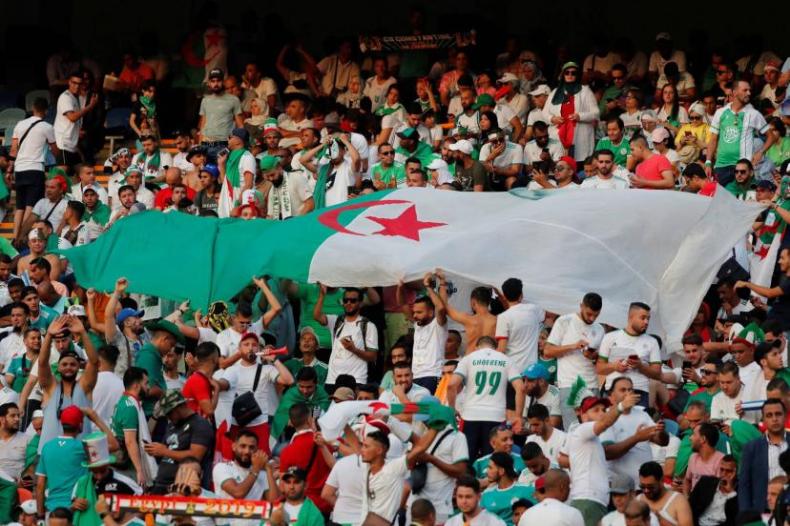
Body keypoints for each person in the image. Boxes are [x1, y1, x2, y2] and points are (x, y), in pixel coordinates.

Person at [450, 336, 524, 460]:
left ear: (477, 347)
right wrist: (518, 416)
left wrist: (451, 409)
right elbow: (520, 388)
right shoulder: (506, 360)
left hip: (470, 415)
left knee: (466, 460)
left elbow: (451, 385)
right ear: (495, 347)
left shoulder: (468, 359)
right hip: (496, 416)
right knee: (493, 460)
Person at [36, 315, 97, 450]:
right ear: (58, 367)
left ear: (78, 367)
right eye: (64, 364)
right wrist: (49, 336)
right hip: (50, 454)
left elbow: (94, 362)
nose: (68, 367)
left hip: (79, 454)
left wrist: (83, 333)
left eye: (72, 364)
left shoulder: (84, 387)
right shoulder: (51, 388)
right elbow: (42, 363)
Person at [543, 293, 604, 428]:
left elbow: (600, 360)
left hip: (592, 384)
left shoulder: (600, 329)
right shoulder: (564, 321)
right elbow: (547, 351)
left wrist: (593, 356)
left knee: (595, 430)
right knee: (573, 430)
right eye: (589, 314)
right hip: (570, 383)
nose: (592, 318)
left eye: (596, 315)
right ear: (581, 306)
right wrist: (573, 346)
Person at [227, 331, 293, 453]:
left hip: (260, 425)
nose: (250, 348)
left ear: (258, 348)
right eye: (246, 344)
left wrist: (274, 360)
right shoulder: (231, 370)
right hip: (236, 424)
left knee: (262, 459)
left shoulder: (267, 369)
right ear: (239, 348)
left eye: (254, 345)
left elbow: (289, 380)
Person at [358, 427, 439, 524]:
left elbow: (420, 448)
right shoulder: (366, 468)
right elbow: (352, 441)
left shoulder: (393, 468)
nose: (362, 450)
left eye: (366, 446)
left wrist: (436, 426)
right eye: (362, 446)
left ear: (379, 450)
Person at [9, 97, 59, 245]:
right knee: (30, 206)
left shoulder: (20, 124)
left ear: (33, 108)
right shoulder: (47, 127)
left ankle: (14, 237)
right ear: (46, 110)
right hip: (35, 169)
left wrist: (10, 168)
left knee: (19, 206)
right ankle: (21, 238)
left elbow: (13, 149)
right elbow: (55, 150)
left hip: (19, 168)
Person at [144, 389, 214, 493]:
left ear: (179, 407)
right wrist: (155, 450)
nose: (168, 417)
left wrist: (164, 451)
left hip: (184, 487)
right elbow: (166, 449)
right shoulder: (171, 425)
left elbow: (195, 456)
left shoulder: (200, 425)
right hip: (161, 483)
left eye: (169, 413)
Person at [597, 302, 662, 408]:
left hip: (639, 392)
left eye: (648, 319)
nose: (646, 322)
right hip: (613, 392)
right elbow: (599, 368)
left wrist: (640, 366)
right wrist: (614, 366)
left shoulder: (652, 341)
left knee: (639, 419)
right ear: (631, 317)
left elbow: (657, 374)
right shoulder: (610, 337)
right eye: (643, 318)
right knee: (611, 419)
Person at [706, 80, 768, 187]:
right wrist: (708, 162)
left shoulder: (753, 114)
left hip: (743, 166)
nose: (749, 93)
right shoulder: (720, 113)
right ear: (734, 92)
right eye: (745, 90)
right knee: (720, 196)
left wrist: (761, 152)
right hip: (721, 166)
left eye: (749, 90)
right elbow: (713, 139)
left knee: (743, 196)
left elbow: (771, 136)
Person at [313, 286, 378, 388]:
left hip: (357, 379)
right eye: (345, 300)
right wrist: (322, 295)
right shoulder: (336, 321)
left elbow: (373, 356)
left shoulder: (368, 325)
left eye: (353, 300)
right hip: (333, 379)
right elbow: (317, 316)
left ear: (360, 303)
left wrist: (354, 349)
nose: (348, 303)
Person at [278, 402, 335, 515]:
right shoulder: (325, 443)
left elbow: (283, 486)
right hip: (324, 504)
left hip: (301, 507)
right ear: (309, 419)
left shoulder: (286, 451)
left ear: (291, 422)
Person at [212, 430, 278, 525]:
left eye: (251, 447)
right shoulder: (222, 467)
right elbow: (238, 493)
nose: (247, 451)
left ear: (257, 450)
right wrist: (256, 469)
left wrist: (268, 470)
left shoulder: (262, 473)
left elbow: (274, 504)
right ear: (234, 446)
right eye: (243, 446)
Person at [738, 398, 790, 513]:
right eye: (769, 415)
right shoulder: (751, 448)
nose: (774, 419)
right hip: (762, 509)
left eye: (778, 414)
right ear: (763, 419)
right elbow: (744, 485)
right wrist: (746, 515)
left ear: (785, 416)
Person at [35, 406, 88, 517]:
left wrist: (40, 515)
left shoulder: (47, 447)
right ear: (80, 425)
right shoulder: (82, 447)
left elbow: (40, 485)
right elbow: (114, 445)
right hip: (75, 510)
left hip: (52, 511)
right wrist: (95, 417)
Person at [110, 366, 156, 489]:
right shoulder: (130, 406)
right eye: (146, 383)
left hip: (125, 464)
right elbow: (130, 441)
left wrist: (155, 417)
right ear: (136, 385)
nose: (148, 387)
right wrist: (140, 470)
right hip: (126, 468)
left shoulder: (126, 401)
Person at [544, 62, 600, 161]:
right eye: (567, 73)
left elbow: (596, 113)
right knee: (559, 163)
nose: (570, 75)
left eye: (573, 73)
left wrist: (580, 116)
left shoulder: (585, 91)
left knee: (578, 164)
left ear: (577, 75)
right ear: (563, 75)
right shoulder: (555, 92)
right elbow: (544, 112)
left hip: (579, 135)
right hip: (558, 133)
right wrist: (552, 118)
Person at [496, 277, 545, 375]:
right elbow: (543, 317)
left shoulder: (503, 317)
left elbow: (501, 349)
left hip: (512, 371)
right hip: (532, 371)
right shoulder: (534, 309)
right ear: (521, 294)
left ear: (504, 296)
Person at [54, 71, 98, 171]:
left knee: (82, 172)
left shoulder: (75, 98)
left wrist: (78, 131)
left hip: (73, 144)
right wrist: (90, 106)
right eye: (74, 83)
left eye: (79, 83)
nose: (77, 86)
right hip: (63, 143)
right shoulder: (65, 97)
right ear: (69, 82)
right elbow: (72, 117)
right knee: (61, 173)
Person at [481, 452, 535, 525]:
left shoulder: (527, 490)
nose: (487, 471)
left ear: (501, 471)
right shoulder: (486, 494)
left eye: (490, 468)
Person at [198, 68, 244, 154]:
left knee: (223, 164)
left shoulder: (234, 100)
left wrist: (240, 145)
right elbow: (203, 125)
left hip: (224, 145)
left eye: (218, 81)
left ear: (223, 82)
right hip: (206, 143)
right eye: (213, 81)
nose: (216, 84)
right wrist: (200, 146)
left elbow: (240, 125)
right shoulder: (205, 100)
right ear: (209, 83)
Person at [517, 469, 583, 526]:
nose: (569, 489)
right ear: (562, 487)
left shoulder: (526, 515)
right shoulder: (572, 513)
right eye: (568, 486)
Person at [637, 461, 693, 526]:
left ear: (662, 480)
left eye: (650, 487)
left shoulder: (679, 501)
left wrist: (659, 519)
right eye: (642, 486)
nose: (646, 490)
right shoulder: (638, 500)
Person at [321, 451, 365, 525]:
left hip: (342, 519)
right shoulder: (382, 464)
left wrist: (344, 506)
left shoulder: (342, 463)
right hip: (369, 520)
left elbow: (326, 494)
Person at [521, 363, 562, 428]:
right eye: (524, 380)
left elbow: (553, 424)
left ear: (541, 381)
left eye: (530, 380)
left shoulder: (555, 394)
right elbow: (522, 420)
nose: (525, 385)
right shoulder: (529, 392)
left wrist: (527, 428)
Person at [0, 402, 30, 482]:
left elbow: (32, 467)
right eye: (13, 416)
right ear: (2, 419)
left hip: (17, 484)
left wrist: (24, 480)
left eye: (18, 416)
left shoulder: (27, 439)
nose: (17, 419)